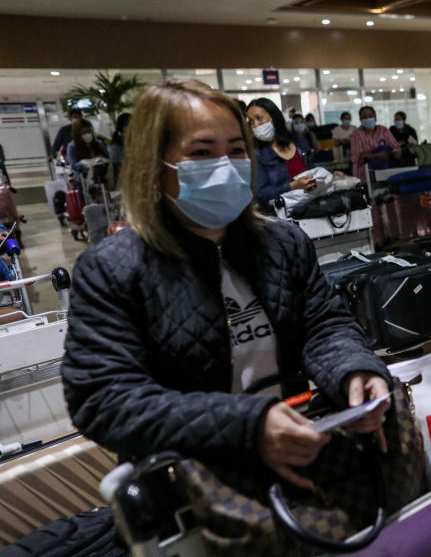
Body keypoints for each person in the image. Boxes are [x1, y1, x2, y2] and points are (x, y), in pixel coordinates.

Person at [60, 80, 392, 488]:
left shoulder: (282, 244)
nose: (224, 163)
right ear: (154, 166)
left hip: (299, 460)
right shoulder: (112, 270)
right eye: (201, 153)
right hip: (193, 486)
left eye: (236, 150)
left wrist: (353, 370)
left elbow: (324, 323)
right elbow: (105, 399)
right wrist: (246, 426)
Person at [247, 98, 315, 211]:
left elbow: (312, 172)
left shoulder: (299, 144)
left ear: (274, 118)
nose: (255, 125)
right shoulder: (256, 154)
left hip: (309, 212)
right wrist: (292, 186)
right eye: (251, 122)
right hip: (277, 219)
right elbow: (260, 194)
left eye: (259, 118)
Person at [349, 106, 401, 176]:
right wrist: (378, 155)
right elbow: (357, 157)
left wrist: (395, 152)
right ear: (360, 119)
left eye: (370, 116)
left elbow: (396, 147)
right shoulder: (356, 134)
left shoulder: (383, 130)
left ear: (375, 117)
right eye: (364, 117)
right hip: (365, 175)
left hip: (387, 171)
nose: (368, 118)